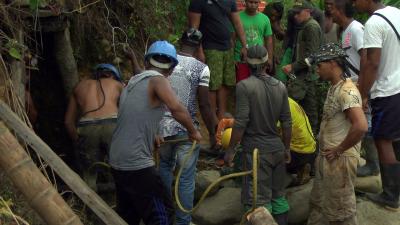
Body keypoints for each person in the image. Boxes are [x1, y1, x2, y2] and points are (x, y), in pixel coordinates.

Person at [109, 40, 202, 225]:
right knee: (163, 214)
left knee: (129, 216)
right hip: (137, 164)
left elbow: (137, 115)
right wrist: (193, 132)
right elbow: (177, 109)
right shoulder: (158, 80)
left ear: (146, 62)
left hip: (117, 161)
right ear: (172, 69)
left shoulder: (133, 83)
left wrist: (154, 133)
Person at [224, 45, 292, 225]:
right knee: (278, 198)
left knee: (258, 203)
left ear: (247, 63)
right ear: (266, 62)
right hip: (277, 150)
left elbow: (240, 122)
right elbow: (287, 122)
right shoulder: (280, 86)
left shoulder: (244, 86)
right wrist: (286, 149)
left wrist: (231, 150)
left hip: (256, 154)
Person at [157, 29, 216, 225]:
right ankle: (183, 221)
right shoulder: (201, 68)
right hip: (186, 130)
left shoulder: (165, 61)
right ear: (199, 46)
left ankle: (165, 215)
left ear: (180, 41)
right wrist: (213, 134)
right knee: (186, 177)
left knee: (164, 167)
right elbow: (205, 105)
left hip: (161, 128)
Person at [307, 43, 368, 225]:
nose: (317, 69)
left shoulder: (347, 91)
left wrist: (339, 149)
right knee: (319, 204)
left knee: (341, 212)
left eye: (319, 65)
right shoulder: (335, 87)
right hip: (329, 157)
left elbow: (361, 126)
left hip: (339, 160)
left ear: (333, 63)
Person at [353, 0, 400, 210]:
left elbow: (372, 62)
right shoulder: (396, 13)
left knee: (382, 140)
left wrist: (362, 94)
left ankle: (390, 197)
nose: (354, 3)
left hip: (387, 89)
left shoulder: (373, 23)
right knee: (397, 138)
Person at [329, 0, 378, 177]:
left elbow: (365, 57)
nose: (330, 12)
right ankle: (364, 160)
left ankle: (373, 164)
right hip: (355, 84)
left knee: (366, 123)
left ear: (340, 10)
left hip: (361, 85)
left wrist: (363, 90)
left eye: (332, 9)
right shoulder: (346, 31)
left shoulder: (356, 29)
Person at [64, 63, 124, 193]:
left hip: (86, 126)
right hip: (112, 124)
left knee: (89, 171)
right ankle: (121, 203)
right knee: (120, 168)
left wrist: (78, 141)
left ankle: (90, 207)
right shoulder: (117, 85)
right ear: (112, 75)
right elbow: (129, 112)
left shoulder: (80, 87)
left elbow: (68, 122)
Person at [188, 0, 248, 122]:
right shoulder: (198, 2)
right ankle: (212, 117)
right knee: (212, 84)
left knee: (226, 82)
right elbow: (194, 28)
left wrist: (244, 45)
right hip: (210, 47)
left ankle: (221, 113)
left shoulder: (229, 1)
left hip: (227, 47)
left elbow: (237, 23)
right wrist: (199, 50)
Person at [282, 0, 323, 135]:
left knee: (309, 112)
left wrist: (292, 66)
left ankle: (311, 142)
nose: (295, 16)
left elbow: (313, 57)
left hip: (308, 78)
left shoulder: (311, 27)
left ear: (308, 12)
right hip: (302, 76)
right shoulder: (304, 26)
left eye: (298, 13)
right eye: (294, 13)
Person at [234, 0, 273, 82]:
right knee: (243, 84)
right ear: (245, 2)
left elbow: (268, 40)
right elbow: (232, 38)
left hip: (259, 59)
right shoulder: (237, 17)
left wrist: (269, 58)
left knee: (259, 84)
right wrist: (233, 57)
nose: (253, 5)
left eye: (256, 3)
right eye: (250, 2)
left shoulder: (265, 19)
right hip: (241, 58)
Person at [283, 98, 316, 186]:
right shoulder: (288, 100)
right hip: (309, 150)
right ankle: (301, 167)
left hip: (297, 153)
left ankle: (286, 178)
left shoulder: (278, 105)